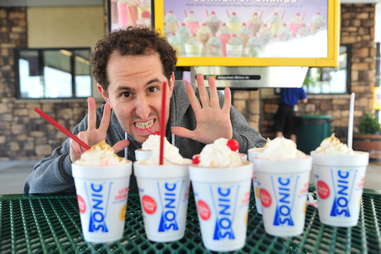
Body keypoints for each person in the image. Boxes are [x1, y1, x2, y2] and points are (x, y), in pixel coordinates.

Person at [24, 27, 266, 194]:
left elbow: (274, 165)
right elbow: (33, 186)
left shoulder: (207, 109)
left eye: (153, 89)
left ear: (171, 82)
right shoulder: (99, 126)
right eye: (126, 94)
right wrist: (73, 164)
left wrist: (229, 143)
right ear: (106, 93)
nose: (142, 112)